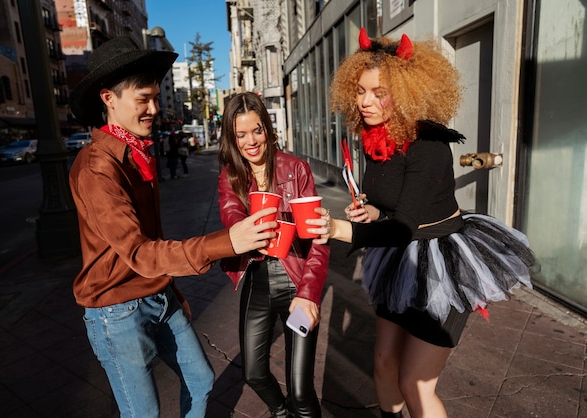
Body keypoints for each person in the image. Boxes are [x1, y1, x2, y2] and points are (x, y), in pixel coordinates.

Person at [306, 29, 538, 418]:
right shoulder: (375, 138)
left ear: (407, 91)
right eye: (360, 91)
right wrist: (372, 213)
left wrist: (336, 230)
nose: (365, 102)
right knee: (382, 364)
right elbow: (391, 210)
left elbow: (406, 226)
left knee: (415, 382)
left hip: (441, 262)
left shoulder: (429, 146)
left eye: (378, 92)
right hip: (397, 261)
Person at [68, 37, 277, 418]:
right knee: (143, 414)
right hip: (116, 309)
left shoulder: (136, 152)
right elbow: (139, 252)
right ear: (108, 99)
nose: (153, 108)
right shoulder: (97, 166)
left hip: (157, 293)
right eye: (142, 100)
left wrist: (172, 289)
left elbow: (152, 245)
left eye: (154, 98)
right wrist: (227, 241)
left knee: (200, 379)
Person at [217, 92, 329, 417]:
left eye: (257, 130)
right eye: (241, 134)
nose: (250, 141)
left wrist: (309, 294)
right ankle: (281, 413)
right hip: (258, 282)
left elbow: (318, 239)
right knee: (252, 372)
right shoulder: (232, 177)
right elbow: (230, 215)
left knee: (300, 389)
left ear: (268, 129)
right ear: (232, 138)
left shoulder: (296, 168)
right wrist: (249, 233)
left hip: (297, 283)